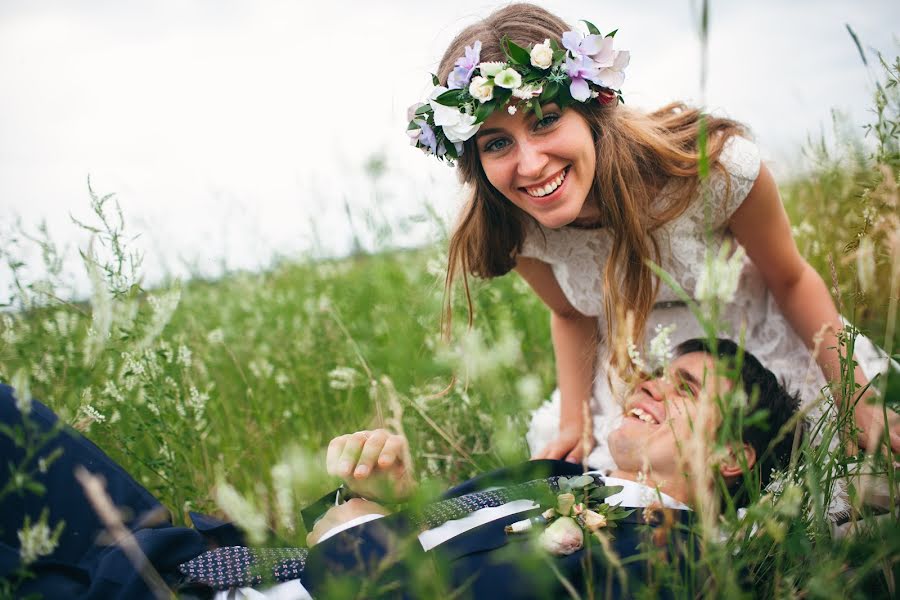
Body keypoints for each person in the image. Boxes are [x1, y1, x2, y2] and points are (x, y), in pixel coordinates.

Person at [406, 2, 899, 469]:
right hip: (630, 383)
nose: (531, 165)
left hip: (752, 362)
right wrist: (576, 419)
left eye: (548, 120)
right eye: (497, 143)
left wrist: (855, 400)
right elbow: (568, 312)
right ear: (474, 162)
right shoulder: (508, 219)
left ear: (592, 110)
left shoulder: (710, 167)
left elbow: (790, 280)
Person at [0, 338, 801, 598]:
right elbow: (331, 525)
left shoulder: (666, 558)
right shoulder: (548, 476)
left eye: (687, 389)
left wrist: (361, 525)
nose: (653, 386)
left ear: (735, 456)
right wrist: (365, 495)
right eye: (659, 373)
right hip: (179, 562)